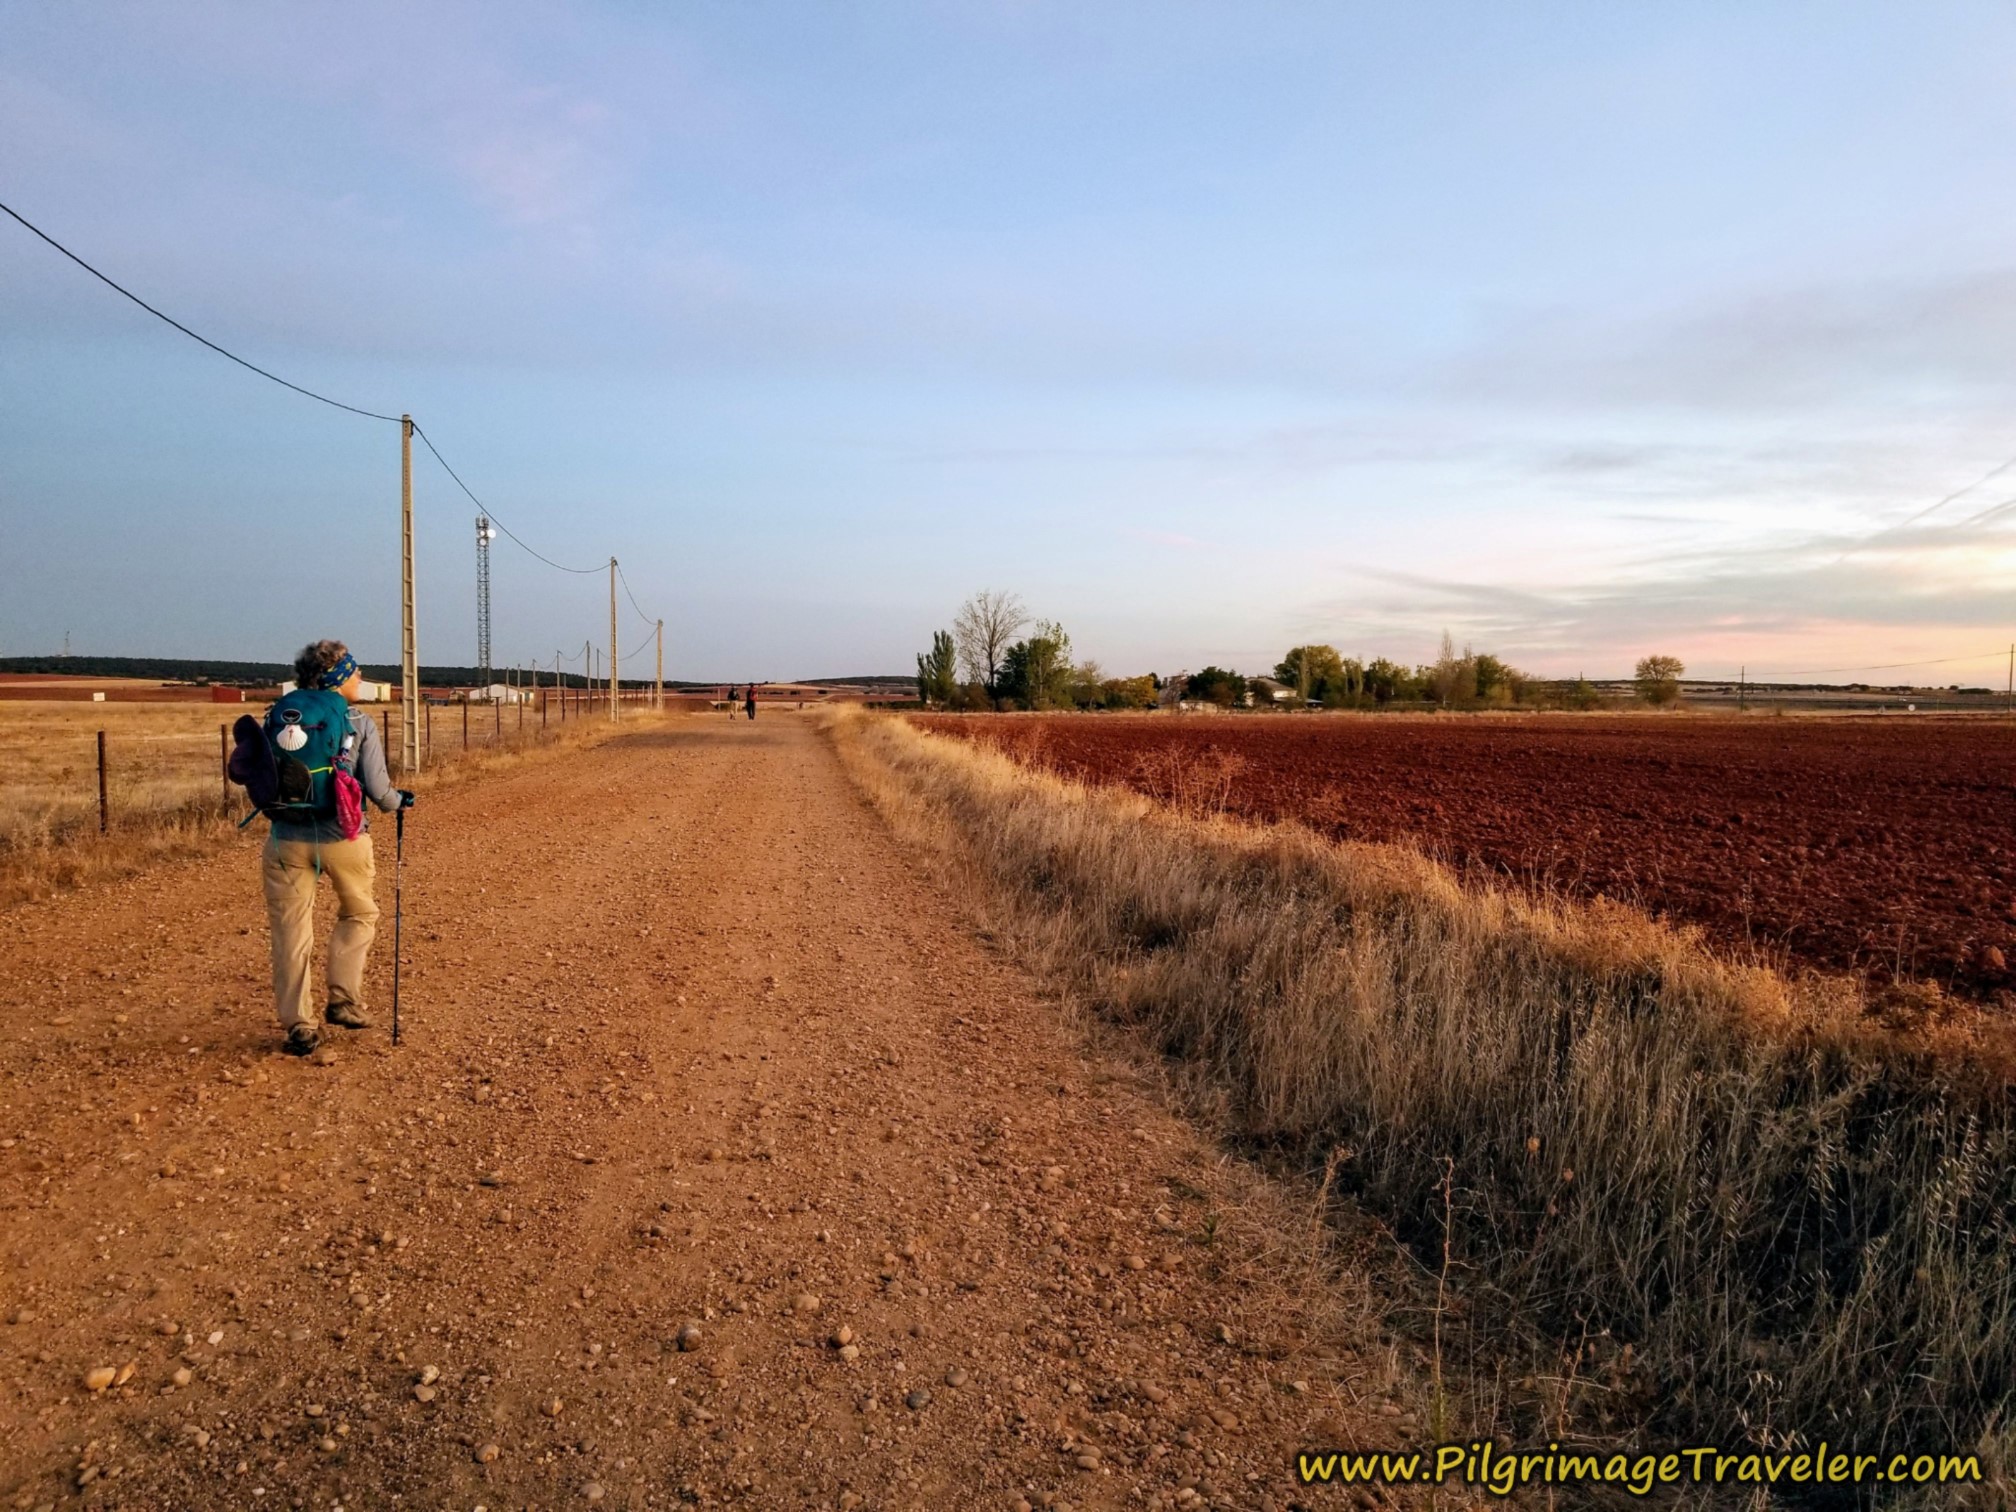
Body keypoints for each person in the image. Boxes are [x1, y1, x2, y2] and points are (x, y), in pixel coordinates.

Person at [263, 640, 413, 1057]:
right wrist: (402, 801)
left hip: (285, 839)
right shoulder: (358, 721)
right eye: (356, 671)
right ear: (338, 677)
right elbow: (380, 792)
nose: (361, 678)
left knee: (291, 934)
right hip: (344, 837)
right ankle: (344, 1002)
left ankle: (299, 1025)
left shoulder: (276, 715)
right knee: (360, 913)